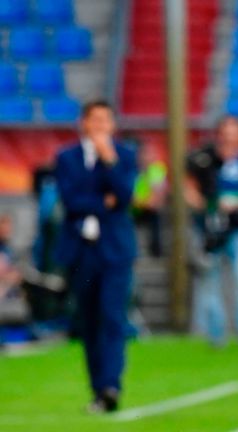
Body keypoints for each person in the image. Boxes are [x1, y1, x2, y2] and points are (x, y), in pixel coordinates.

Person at [54, 100, 137, 412]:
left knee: (113, 317)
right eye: (95, 120)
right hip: (81, 251)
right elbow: (71, 200)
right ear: (84, 124)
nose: (101, 126)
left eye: (107, 120)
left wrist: (110, 161)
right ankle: (98, 388)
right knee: (88, 321)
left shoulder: (124, 156)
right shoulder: (66, 158)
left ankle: (111, 386)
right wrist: (105, 202)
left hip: (115, 251)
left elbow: (126, 196)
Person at [185, 114, 238, 348]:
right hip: (209, 229)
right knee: (210, 282)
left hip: (237, 229)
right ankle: (216, 336)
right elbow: (189, 188)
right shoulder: (205, 160)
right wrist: (207, 205)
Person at [131, 136, 167, 257]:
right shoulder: (132, 170)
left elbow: (157, 196)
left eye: (150, 154)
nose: (147, 157)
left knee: (155, 215)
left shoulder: (157, 170)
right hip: (133, 210)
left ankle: (156, 250)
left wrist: (144, 202)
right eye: (144, 153)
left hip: (147, 209)